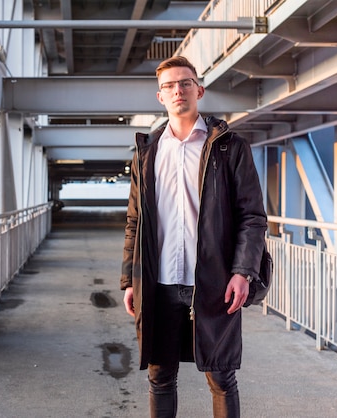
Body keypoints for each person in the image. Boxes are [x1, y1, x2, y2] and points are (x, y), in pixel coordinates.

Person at [120, 55, 267, 418]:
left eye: (185, 83)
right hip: (160, 282)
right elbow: (134, 221)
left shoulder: (229, 147)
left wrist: (242, 271)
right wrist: (129, 279)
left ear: (199, 90)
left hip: (214, 281)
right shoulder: (147, 153)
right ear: (160, 97)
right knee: (160, 376)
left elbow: (252, 217)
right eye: (169, 86)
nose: (178, 91)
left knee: (221, 376)